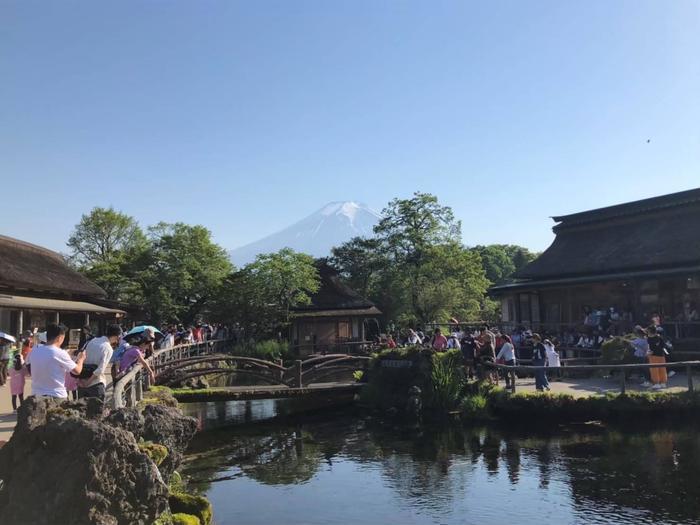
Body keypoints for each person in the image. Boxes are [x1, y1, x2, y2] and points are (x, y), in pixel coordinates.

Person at [27, 323, 86, 398]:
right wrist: (81, 359)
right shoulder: (59, 353)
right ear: (60, 338)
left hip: (36, 395)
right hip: (56, 395)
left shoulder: (34, 351)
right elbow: (77, 371)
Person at [77, 324, 122, 401]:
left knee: (81, 411)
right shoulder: (108, 348)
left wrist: (81, 381)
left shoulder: (92, 341)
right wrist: (88, 382)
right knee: (96, 411)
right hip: (95, 384)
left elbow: (81, 357)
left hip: (82, 381)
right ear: (117, 336)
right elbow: (100, 369)